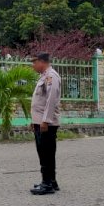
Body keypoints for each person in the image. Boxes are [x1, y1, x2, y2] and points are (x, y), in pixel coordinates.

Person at [29, 53, 62, 195]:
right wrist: (35, 121)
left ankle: (47, 184)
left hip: (46, 123)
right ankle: (50, 181)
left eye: (34, 62)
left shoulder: (51, 76)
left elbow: (51, 99)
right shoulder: (44, 76)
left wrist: (45, 120)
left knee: (46, 153)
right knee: (45, 152)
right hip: (40, 121)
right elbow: (40, 101)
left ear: (42, 62)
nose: (33, 65)